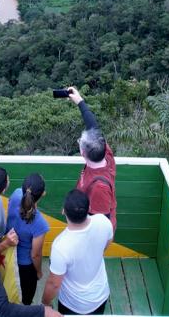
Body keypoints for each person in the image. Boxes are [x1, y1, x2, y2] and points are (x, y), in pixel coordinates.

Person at [41, 190, 113, 315]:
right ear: (89, 208)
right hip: (101, 297)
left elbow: (54, 284)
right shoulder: (104, 222)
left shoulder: (60, 246)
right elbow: (107, 243)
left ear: (64, 211)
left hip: (73, 305)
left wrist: (45, 304)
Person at [67, 87, 117, 230]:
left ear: (83, 153)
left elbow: (101, 224)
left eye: (79, 142)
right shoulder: (104, 153)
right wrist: (79, 101)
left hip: (92, 233)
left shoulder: (99, 188)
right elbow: (93, 125)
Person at [6, 173, 51, 305]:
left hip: (7, 254)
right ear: (43, 193)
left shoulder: (15, 194)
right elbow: (35, 255)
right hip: (24, 266)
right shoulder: (40, 223)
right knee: (25, 300)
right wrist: (38, 272)